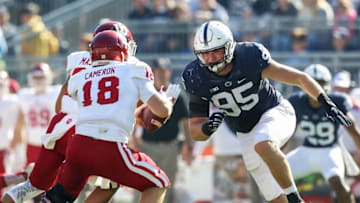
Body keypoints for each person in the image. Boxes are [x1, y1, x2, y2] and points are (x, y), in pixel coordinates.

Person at [182, 20, 352, 203]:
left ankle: (295, 198)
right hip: (245, 132)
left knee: (263, 143)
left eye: (216, 52)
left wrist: (325, 102)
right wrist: (208, 128)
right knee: (273, 197)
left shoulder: (249, 56)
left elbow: (298, 78)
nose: (211, 59)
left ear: (229, 47)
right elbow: (195, 131)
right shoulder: (196, 76)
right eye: (205, 54)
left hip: (275, 112)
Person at [2, 20, 139, 203]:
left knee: (32, 186)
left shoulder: (76, 59)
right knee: (108, 184)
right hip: (87, 132)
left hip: (59, 126)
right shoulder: (129, 66)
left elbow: (60, 105)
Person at [43, 30, 177, 203]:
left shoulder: (81, 75)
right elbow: (162, 110)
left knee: (60, 198)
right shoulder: (132, 69)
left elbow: (60, 107)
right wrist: (168, 101)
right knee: (158, 183)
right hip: (109, 145)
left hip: (78, 145)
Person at [287, 64, 360, 203]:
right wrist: (278, 154)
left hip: (330, 150)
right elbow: (289, 132)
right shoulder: (297, 102)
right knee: (276, 176)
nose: (316, 87)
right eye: (313, 83)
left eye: (320, 83)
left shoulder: (338, 101)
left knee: (338, 183)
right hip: (307, 150)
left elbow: (353, 130)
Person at [131, 57, 193, 203]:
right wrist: (133, 140)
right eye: (159, 71)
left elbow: (185, 123)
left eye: (164, 71)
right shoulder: (147, 92)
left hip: (169, 147)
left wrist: (189, 146)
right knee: (142, 184)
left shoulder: (178, 95)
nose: (162, 74)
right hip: (147, 146)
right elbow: (135, 117)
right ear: (153, 72)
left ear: (169, 72)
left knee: (166, 185)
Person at [18, 63, 61, 167]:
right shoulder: (24, 95)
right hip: (31, 144)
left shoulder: (56, 92)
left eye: (41, 77)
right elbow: (20, 120)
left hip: (51, 144)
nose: (38, 80)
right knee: (31, 175)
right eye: (35, 77)